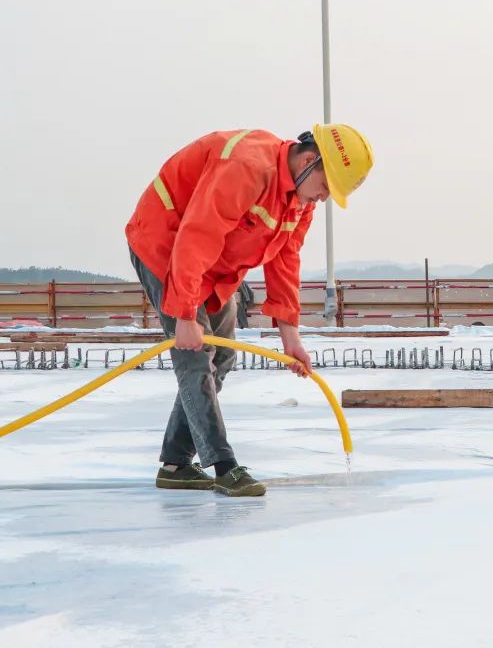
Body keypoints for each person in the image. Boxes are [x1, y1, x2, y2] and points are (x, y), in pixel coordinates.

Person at [125, 124, 373, 496]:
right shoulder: (246, 167)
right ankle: (223, 465)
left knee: (222, 357)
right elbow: (197, 235)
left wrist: (291, 337)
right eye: (325, 188)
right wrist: (186, 315)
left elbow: (285, 262)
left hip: (214, 265)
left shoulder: (299, 202)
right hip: (166, 244)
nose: (322, 199)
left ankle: (176, 463)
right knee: (195, 356)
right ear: (308, 161)